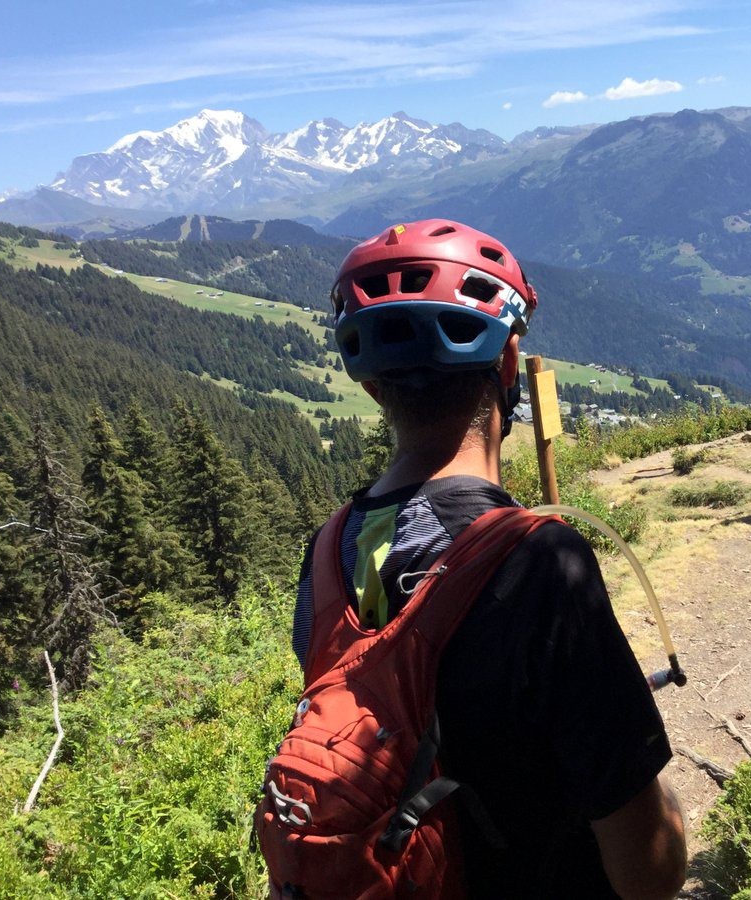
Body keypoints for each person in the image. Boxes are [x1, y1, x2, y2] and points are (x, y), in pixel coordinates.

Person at [292, 219, 687, 898]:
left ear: (372, 386)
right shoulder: (539, 565)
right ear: (507, 369)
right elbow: (648, 874)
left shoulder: (328, 552)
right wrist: (670, 807)